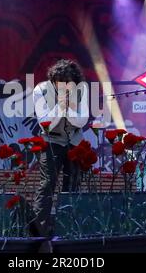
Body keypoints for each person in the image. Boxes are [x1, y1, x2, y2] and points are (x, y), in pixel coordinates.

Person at [32, 59, 89, 235]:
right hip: (51, 141)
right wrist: (60, 106)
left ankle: (68, 227)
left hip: (74, 140)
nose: (64, 88)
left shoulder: (82, 90)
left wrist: (70, 109)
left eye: (69, 84)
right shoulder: (40, 90)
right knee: (47, 184)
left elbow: (82, 120)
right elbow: (45, 124)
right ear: (53, 80)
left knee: (72, 184)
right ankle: (38, 230)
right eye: (60, 83)